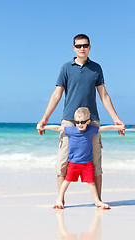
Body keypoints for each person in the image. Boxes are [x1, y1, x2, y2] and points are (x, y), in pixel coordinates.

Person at [37, 34, 125, 201]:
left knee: (96, 162)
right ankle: (60, 200)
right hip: (69, 119)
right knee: (63, 162)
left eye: (85, 45)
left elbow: (103, 95)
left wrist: (116, 118)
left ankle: (98, 201)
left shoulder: (96, 68)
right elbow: (57, 94)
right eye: (78, 46)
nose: (82, 48)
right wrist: (45, 118)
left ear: (90, 47)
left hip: (92, 120)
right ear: (74, 48)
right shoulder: (66, 68)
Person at [37, 107, 125, 209]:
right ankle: (59, 199)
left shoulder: (91, 130)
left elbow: (103, 128)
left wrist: (117, 127)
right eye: (77, 122)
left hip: (87, 163)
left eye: (82, 122)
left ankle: (97, 201)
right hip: (74, 163)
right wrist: (44, 127)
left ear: (88, 121)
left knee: (91, 182)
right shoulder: (71, 130)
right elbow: (57, 128)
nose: (80, 124)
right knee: (67, 181)